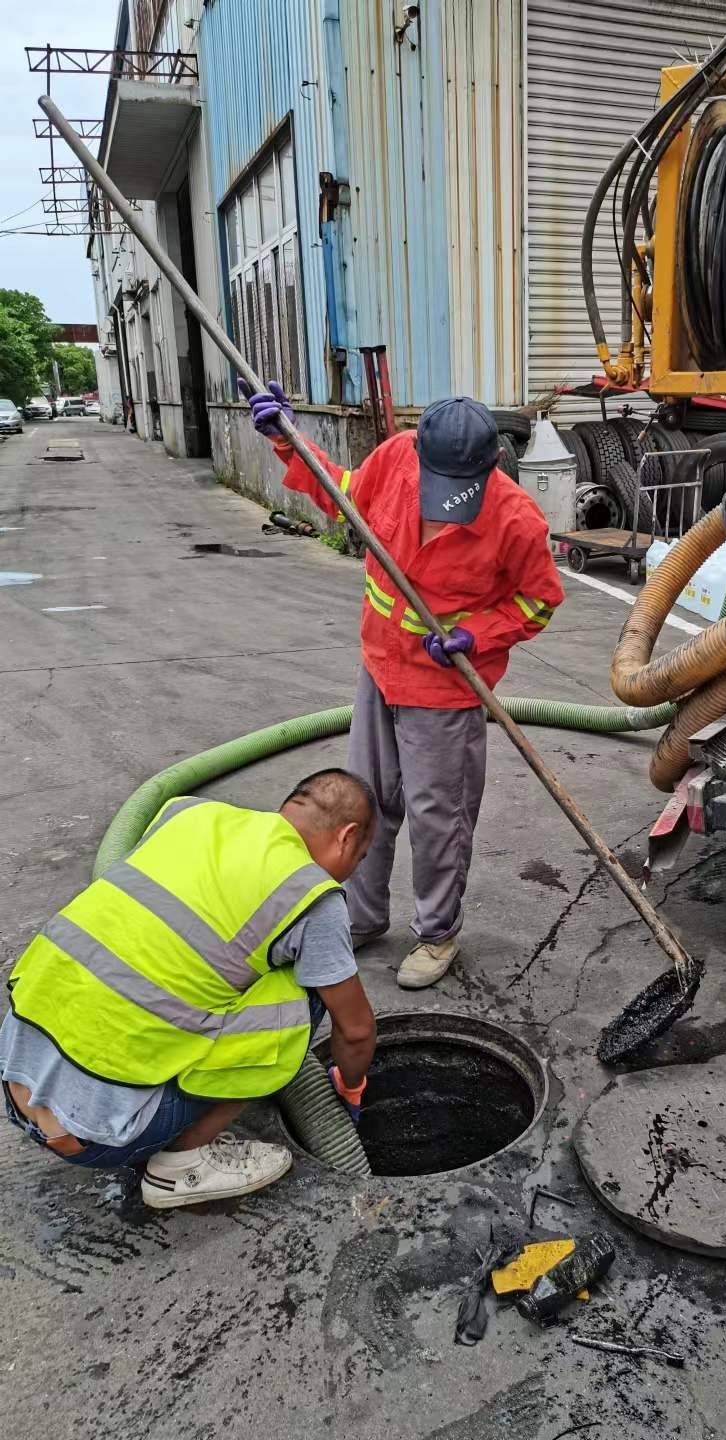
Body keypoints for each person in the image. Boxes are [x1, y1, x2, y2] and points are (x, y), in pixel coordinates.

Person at [240, 383, 565, 991]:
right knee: (364, 801)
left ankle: (437, 932)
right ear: (420, 455)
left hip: (445, 691)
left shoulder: (515, 518)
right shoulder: (395, 459)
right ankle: (361, 917)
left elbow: (540, 601)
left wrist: (479, 633)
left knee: (437, 816)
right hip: (380, 666)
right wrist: (287, 441)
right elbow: (339, 494)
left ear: (490, 465)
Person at [1, 769, 378, 1210]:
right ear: (347, 837)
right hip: (99, 1137)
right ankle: (181, 1167)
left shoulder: (189, 814)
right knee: (309, 991)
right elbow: (354, 1030)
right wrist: (350, 1087)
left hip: (14, 1078)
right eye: (361, 857)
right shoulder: (313, 895)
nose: (351, 872)